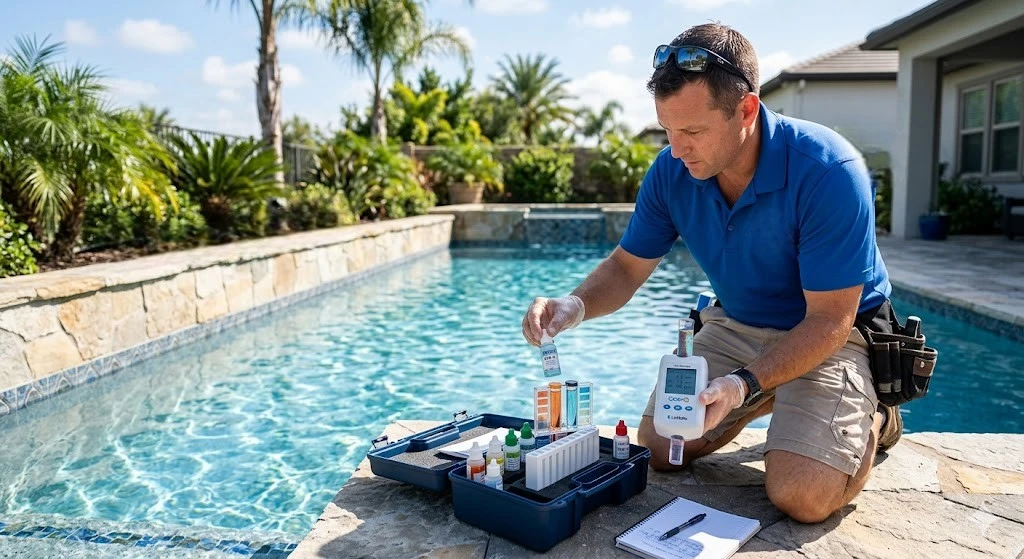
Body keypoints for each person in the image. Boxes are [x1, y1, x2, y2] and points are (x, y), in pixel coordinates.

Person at [520, 23, 901, 524]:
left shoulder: (829, 170)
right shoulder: (672, 170)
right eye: (667, 130)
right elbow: (625, 267)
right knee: (660, 447)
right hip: (737, 323)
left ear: (746, 109)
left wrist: (743, 384)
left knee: (801, 496)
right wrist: (575, 304)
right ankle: (778, 393)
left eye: (693, 132)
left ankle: (878, 410)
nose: (676, 150)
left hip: (832, 334)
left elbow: (831, 319)